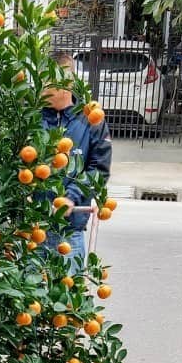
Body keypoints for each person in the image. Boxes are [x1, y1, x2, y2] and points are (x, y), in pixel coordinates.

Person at [42, 51, 113, 270]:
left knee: (67, 298)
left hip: (70, 231)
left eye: (47, 82)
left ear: (66, 84)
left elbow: (99, 170)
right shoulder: (32, 119)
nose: (42, 88)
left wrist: (71, 197)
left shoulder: (91, 120)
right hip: (33, 227)